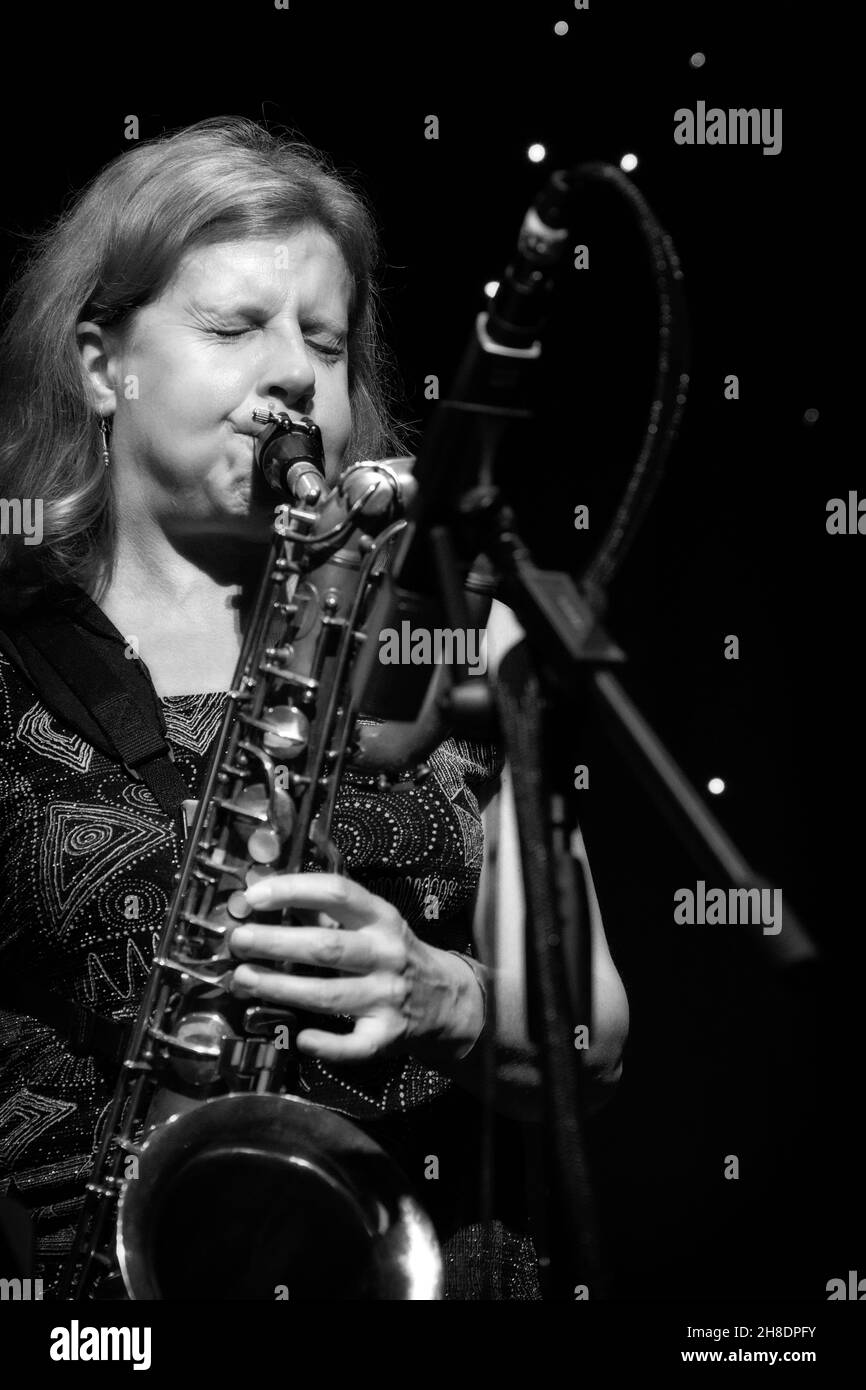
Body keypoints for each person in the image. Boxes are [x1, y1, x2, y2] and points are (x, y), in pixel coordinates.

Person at [0, 116, 629, 1300]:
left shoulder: (456, 643)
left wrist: (445, 994)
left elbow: (595, 1043)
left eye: (324, 340)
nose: (293, 368)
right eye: (234, 325)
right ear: (101, 364)